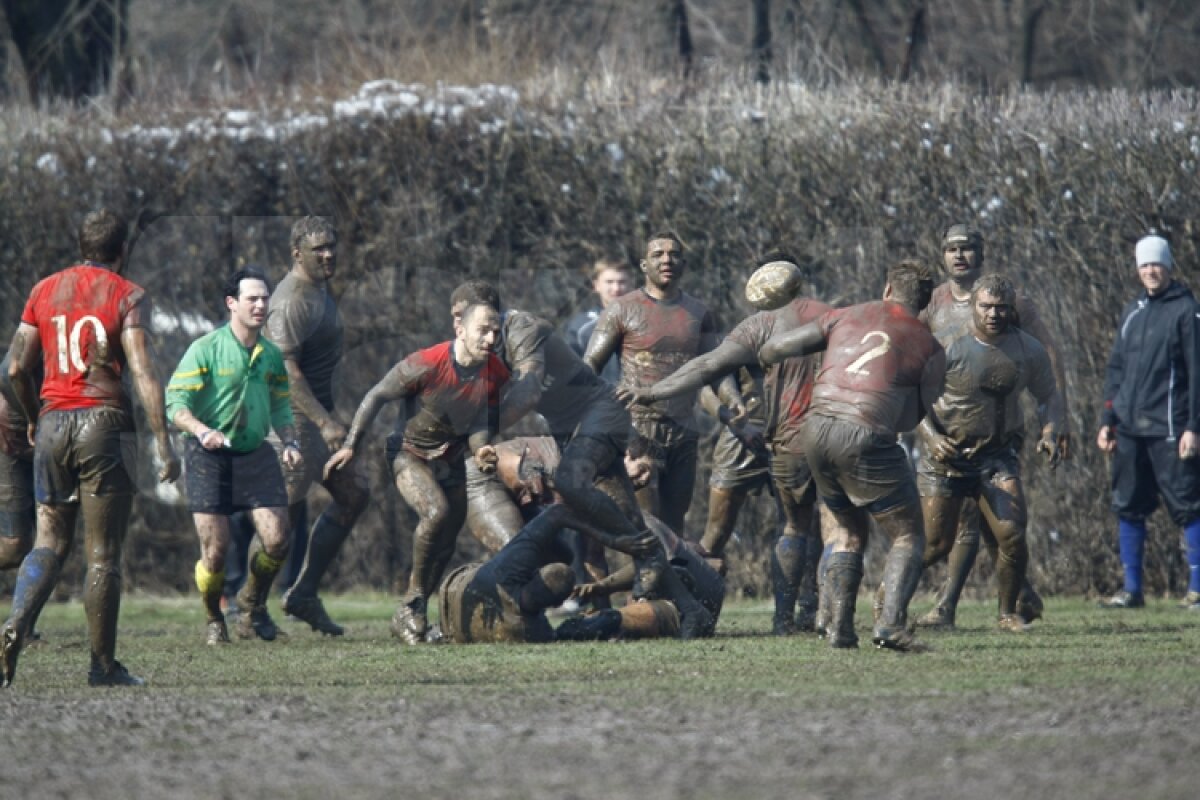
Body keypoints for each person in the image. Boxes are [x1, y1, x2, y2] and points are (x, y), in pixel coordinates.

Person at [450, 281, 713, 636]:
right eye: (456, 318)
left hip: (600, 412)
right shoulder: (479, 348)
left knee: (569, 483)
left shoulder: (524, 328)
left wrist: (483, 429)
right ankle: (691, 610)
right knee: (631, 523)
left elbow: (527, 391)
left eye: (466, 315)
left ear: (491, 312)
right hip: (571, 429)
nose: (461, 325)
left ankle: (647, 557)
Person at [1, 209, 180, 688]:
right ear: (122, 252)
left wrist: (35, 417)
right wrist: (163, 442)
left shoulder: (43, 289)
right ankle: (102, 667)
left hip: (54, 423)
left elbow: (17, 367)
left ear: (81, 245)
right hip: (106, 423)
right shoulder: (128, 294)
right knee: (103, 555)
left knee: (48, 541)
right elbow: (141, 370)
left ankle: (16, 622)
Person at [621, 256, 833, 635]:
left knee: (804, 522)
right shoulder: (750, 328)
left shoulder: (814, 322)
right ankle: (700, 608)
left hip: (793, 436)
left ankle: (804, 610)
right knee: (716, 533)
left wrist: (649, 392)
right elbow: (710, 378)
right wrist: (730, 416)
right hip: (742, 436)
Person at [759, 259, 945, 651]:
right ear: (925, 302)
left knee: (846, 530)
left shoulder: (845, 314)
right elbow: (913, 417)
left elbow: (777, 347)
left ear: (887, 290)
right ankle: (891, 625)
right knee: (908, 536)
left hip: (815, 429)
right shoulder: (929, 345)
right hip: (865, 433)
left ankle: (840, 629)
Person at [325, 302, 510, 644]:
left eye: (496, 332)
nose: (490, 338)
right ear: (461, 330)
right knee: (435, 512)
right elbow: (377, 394)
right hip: (408, 454)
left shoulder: (496, 372)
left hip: (451, 459)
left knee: (447, 538)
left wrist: (481, 448)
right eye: (483, 330)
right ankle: (411, 603)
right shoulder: (428, 362)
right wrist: (351, 444)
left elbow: (481, 423)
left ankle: (414, 614)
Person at [917, 224, 1068, 627]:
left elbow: (1046, 361)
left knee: (994, 522)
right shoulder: (931, 304)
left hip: (998, 433)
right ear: (942, 255)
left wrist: (1055, 424)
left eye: (968, 248)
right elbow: (912, 365)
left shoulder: (1010, 300)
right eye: (952, 249)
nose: (960, 255)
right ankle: (1011, 597)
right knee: (966, 525)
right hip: (948, 431)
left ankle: (961, 607)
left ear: (981, 255)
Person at [166, 268, 301, 645]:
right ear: (232, 304)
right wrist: (201, 431)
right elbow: (175, 403)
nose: (261, 305)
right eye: (252, 299)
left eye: (264, 298)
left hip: (255, 453)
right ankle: (213, 617)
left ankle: (251, 603)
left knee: (277, 539)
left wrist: (290, 442)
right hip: (209, 456)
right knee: (216, 550)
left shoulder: (271, 355)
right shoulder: (205, 348)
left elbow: (281, 408)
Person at [584, 232, 729, 533]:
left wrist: (734, 414)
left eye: (674, 254)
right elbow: (589, 369)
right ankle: (639, 580)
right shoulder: (622, 309)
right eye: (658, 254)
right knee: (645, 526)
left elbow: (715, 371)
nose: (666, 259)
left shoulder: (699, 313)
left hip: (684, 431)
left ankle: (672, 578)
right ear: (643, 265)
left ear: (684, 264)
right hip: (638, 430)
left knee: (674, 527)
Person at [266, 216, 369, 636]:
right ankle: (247, 604)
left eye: (332, 246)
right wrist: (326, 421)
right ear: (297, 254)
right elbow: (287, 372)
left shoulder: (319, 289)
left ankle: (303, 592)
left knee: (354, 495)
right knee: (279, 525)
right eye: (318, 249)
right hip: (291, 423)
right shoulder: (290, 301)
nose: (328, 254)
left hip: (315, 422)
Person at [1097, 234, 1200, 610]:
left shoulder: (1187, 311)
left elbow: (1197, 372)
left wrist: (1194, 426)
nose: (1150, 271)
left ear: (1169, 266)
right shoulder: (1132, 311)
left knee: (1189, 505)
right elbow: (1116, 369)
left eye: (1156, 264)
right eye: (1144, 265)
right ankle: (1132, 590)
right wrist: (1108, 419)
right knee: (1128, 505)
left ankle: (1197, 589)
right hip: (1128, 428)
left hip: (1171, 428)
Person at [563, 257, 633, 384]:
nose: (616, 288)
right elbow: (568, 373)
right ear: (596, 285)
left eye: (622, 282)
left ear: (631, 284)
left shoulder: (648, 322)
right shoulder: (580, 327)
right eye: (609, 282)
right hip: (597, 401)